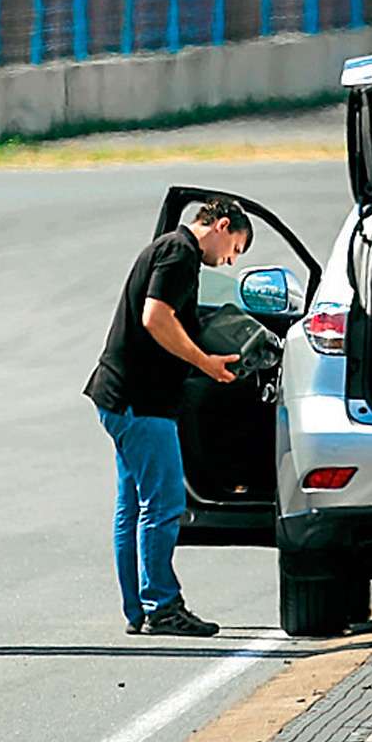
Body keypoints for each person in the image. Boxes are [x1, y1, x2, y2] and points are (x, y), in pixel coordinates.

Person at [84, 197, 253, 636]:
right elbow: (156, 317)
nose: (231, 261)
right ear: (220, 225)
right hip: (141, 402)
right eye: (236, 248)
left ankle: (138, 609)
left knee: (133, 506)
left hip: (118, 397)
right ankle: (162, 605)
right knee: (163, 505)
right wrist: (205, 363)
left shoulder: (166, 248)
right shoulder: (180, 254)